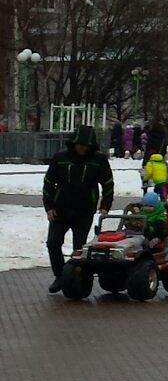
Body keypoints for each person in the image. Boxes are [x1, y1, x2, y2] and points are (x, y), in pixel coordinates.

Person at [42, 125, 114, 294]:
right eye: (79, 144)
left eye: (85, 145)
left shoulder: (98, 160)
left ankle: (77, 280)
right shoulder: (60, 158)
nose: (82, 148)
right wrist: (49, 206)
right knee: (53, 242)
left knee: (79, 248)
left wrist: (105, 206)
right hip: (61, 209)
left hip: (84, 211)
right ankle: (60, 275)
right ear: (74, 143)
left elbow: (108, 183)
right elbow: (48, 183)